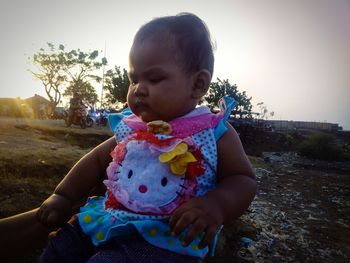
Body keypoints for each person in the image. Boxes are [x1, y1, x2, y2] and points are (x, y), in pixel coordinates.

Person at [36, 13, 256, 262]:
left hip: (167, 239)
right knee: (60, 248)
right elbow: (97, 160)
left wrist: (216, 205)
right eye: (134, 79)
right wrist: (63, 195)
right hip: (110, 220)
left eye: (154, 78)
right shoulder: (134, 128)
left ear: (198, 84)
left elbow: (243, 179)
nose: (138, 88)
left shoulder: (213, 131)